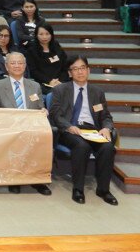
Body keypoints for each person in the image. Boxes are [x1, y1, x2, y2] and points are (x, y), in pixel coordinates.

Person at [49, 56, 117, 205]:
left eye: (82, 68)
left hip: (92, 130)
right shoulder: (60, 90)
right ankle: (78, 188)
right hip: (70, 130)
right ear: (69, 73)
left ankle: (103, 189)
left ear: (88, 70)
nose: (79, 72)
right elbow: (55, 114)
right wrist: (68, 126)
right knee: (81, 146)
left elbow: (106, 116)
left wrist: (106, 127)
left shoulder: (97, 92)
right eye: (75, 69)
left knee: (107, 147)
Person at [0, 52, 52, 196]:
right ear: (6, 66)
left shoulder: (35, 86)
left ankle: (38, 179)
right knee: (17, 137)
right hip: (9, 127)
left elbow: (39, 107)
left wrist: (43, 111)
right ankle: (15, 178)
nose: (17, 66)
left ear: (25, 65)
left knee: (44, 135)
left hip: (31, 126)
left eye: (20, 63)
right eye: (13, 63)